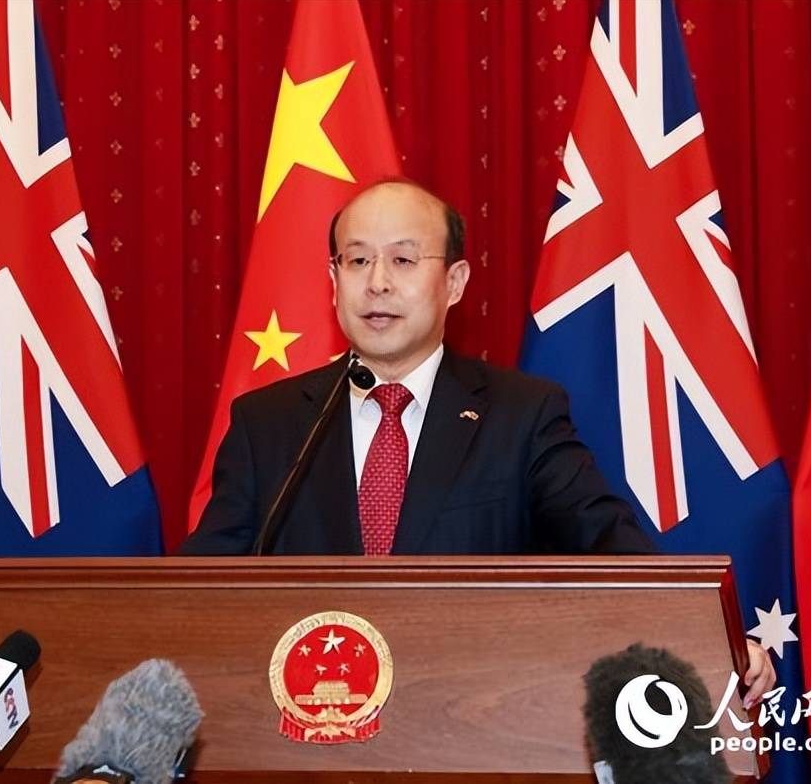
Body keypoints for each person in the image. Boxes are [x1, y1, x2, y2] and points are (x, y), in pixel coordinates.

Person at [180, 179, 775, 702]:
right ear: (334, 280)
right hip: (307, 726)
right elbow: (199, 587)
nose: (378, 283)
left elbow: (606, 541)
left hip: (467, 726)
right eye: (357, 261)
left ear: (455, 281)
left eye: (404, 260)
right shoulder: (270, 423)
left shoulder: (521, 416)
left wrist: (705, 638)